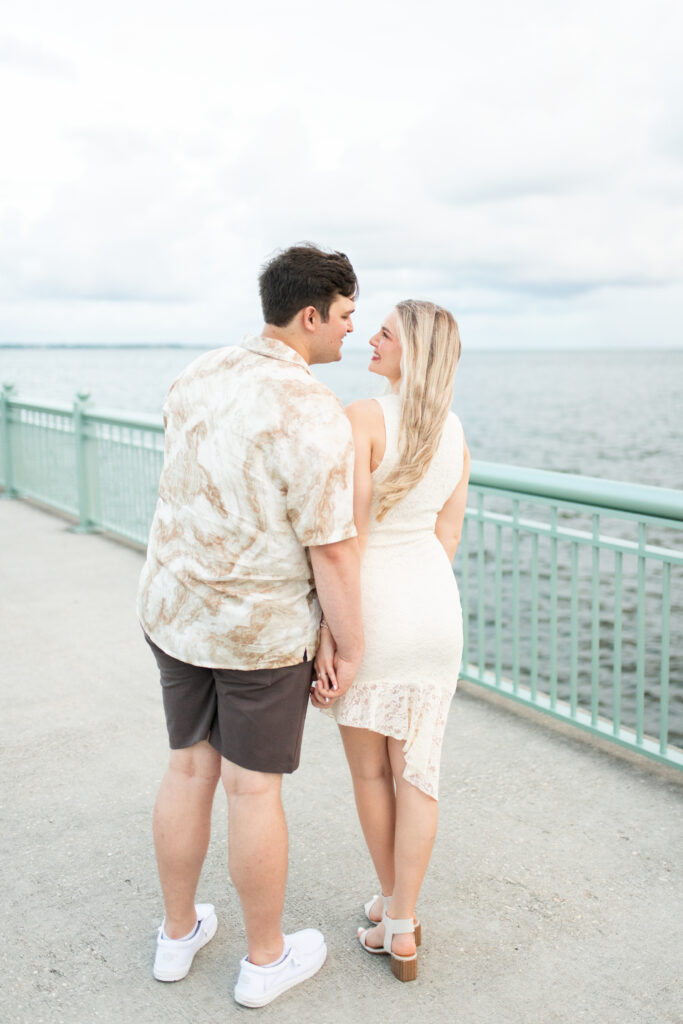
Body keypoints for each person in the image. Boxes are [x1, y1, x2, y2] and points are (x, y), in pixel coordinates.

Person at [137, 244, 364, 1007]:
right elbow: (331, 552)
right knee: (252, 791)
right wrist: (350, 644)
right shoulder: (311, 411)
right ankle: (264, 961)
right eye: (344, 316)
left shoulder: (197, 373)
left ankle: (176, 937)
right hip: (256, 633)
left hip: (174, 611)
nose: (350, 333)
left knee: (187, 769)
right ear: (310, 315)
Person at [311, 299, 469, 982]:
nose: (369, 338)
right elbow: (448, 536)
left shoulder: (362, 419)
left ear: (413, 351)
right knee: (418, 774)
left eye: (384, 333)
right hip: (434, 613)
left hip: (371, 615)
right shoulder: (455, 431)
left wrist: (330, 633)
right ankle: (399, 919)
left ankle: (392, 912)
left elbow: (348, 540)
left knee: (371, 774)